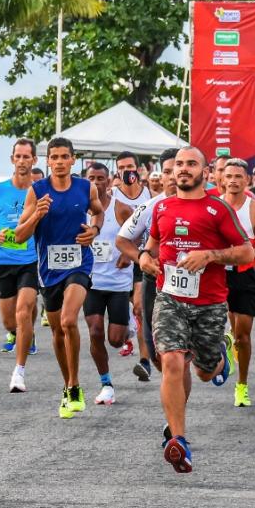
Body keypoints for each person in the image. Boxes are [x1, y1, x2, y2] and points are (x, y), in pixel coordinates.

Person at [141, 146, 253, 472]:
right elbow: (150, 248)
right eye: (179, 165)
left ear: (205, 172)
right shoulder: (161, 207)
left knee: (205, 372)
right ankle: (179, 440)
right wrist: (144, 259)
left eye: (192, 164)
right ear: (172, 172)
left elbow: (246, 254)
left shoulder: (217, 210)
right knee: (172, 360)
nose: (184, 169)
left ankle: (220, 357)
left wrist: (210, 256)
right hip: (170, 298)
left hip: (209, 304)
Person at [15, 137, 103, 418]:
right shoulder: (36, 191)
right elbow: (20, 235)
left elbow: (99, 213)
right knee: (56, 331)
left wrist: (95, 231)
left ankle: (75, 385)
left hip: (79, 264)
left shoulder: (85, 187)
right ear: (48, 161)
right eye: (55, 157)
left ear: (73, 160)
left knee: (68, 320)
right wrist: (37, 215)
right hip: (49, 270)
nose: (60, 162)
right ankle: (67, 385)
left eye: (65, 156)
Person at [0, 139, 40, 392]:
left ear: (34, 160)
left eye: (27, 156)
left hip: (30, 259)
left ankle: (19, 372)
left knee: (23, 311)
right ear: (12, 159)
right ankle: (24, 332)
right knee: (9, 322)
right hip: (3, 260)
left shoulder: (40, 191)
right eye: (19, 156)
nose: (23, 161)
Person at [116, 148, 179, 382]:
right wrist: (141, 257)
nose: (173, 176)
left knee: (192, 358)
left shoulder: (207, 204)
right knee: (162, 354)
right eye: (167, 171)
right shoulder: (150, 206)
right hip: (155, 275)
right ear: (160, 176)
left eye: (177, 170)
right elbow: (122, 240)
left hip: (193, 284)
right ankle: (147, 359)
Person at [83, 163, 135, 405]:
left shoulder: (121, 209)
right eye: (91, 178)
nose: (96, 182)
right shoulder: (80, 209)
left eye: (100, 178)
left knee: (115, 340)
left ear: (109, 180)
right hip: (91, 281)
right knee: (94, 331)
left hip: (117, 283)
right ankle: (106, 384)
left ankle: (129, 324)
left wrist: (129, 254)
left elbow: (142, 233)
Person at [221, 158, 255, 408]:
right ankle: (225, 346)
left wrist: (246, 252)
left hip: (245, 276)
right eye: (229, 176)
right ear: (222, 179)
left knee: (243, 335)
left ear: (247, 180)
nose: (233, 180)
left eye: (238, 176)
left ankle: (241, 385)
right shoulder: (214, 206)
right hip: (217, 275)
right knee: (219, 327)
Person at [112, 151, 153, 367]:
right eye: (122, 167)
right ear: (117, 170)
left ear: (138, 169)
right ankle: (129, 332)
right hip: (116, 261)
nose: (127, 171)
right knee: (128, 311)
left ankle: (145, 360)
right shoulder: (113, 195)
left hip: (139, 258)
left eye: (130, 167)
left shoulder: (149, 194)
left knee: (139, 307)